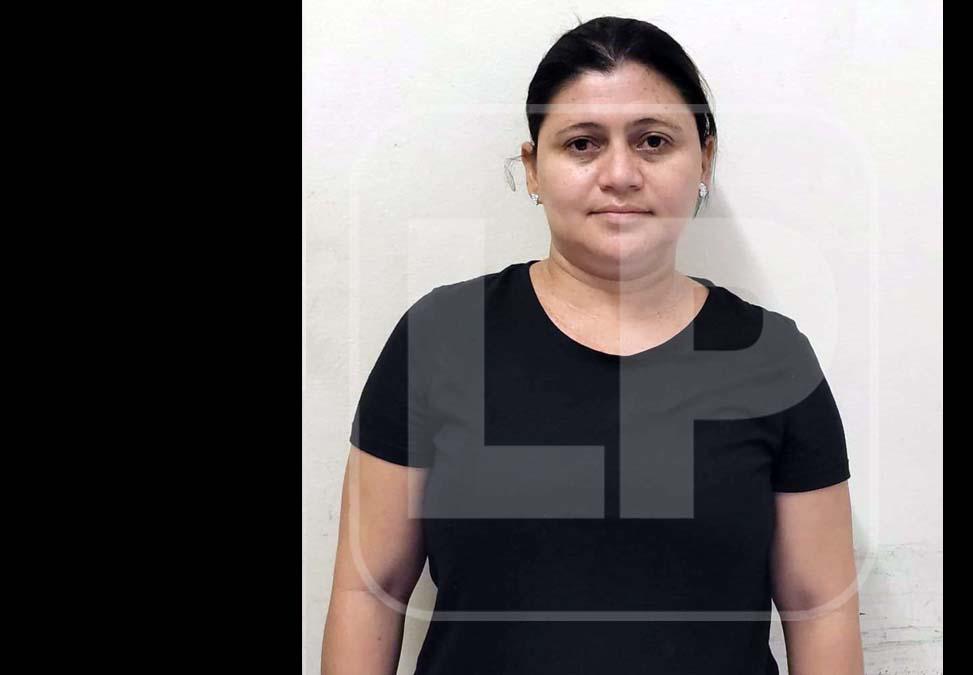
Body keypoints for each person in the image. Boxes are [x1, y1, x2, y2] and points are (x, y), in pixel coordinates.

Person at [321, 16, 864, 675]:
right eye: (582, 144)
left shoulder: (771, 359)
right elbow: (368, 591)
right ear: (533, 168)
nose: (620, 173)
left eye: (653, 141)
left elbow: (820, 608)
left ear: (704, 159)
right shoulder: (440, 339)